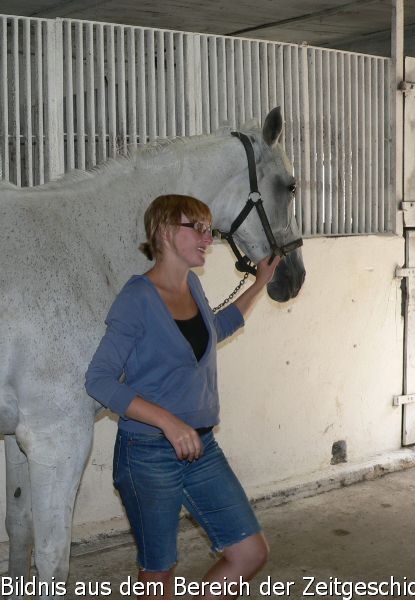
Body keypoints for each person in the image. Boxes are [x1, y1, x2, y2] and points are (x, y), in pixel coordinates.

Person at [85, 194, 281, 599]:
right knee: (159, 577)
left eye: (210, 229)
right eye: (198, 228)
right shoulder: (136, 298)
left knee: (249, 552)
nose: (208, 238)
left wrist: (260, 283)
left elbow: (216, 328)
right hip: (147, 453)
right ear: (165, 233)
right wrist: (168, 421)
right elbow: (99, 380)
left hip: (202, 446)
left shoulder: (192, 285)